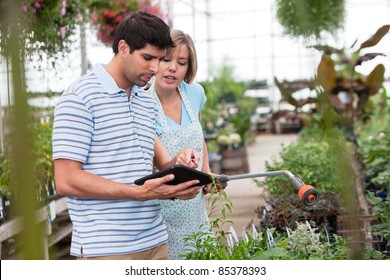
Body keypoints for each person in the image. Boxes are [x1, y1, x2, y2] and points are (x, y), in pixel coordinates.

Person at [52, 12, 202, 260]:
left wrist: (183, 163)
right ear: (123, 48)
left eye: (159, 59)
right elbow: (66, 180)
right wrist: (137, 193)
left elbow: (163, 164)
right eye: (147, 58)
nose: (155, 68)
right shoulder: (79, 98)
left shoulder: (145, 101)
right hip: (107, 249)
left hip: (155, 242)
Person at [148, 30, 214, 259]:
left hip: (195, 204)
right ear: (155, 61)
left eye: (181, 62)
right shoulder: (142, 103)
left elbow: (199, 134)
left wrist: (206, 172)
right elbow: (161, 163)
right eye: (166, 59)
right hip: (163, 206)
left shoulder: (195, 93)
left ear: (189, 67)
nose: (172, 68)